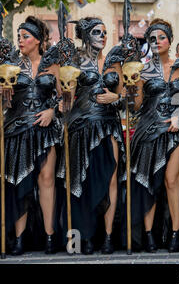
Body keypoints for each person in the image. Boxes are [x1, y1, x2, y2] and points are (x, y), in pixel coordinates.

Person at [57, 17, 127, 254]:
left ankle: (107, 237)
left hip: (109, 125)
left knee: (111, 178)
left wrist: (116, 98)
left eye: (105, 32)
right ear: (86, 35)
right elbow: (65, 96)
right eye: (98, 32)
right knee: (82, 180)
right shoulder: (73, 61)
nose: (103, 36)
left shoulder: (113, 61)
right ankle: (84, 237)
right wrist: (63, 98)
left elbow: (127, 95)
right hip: (81, 126)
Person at [129, 18, 179, 253]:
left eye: (161, 37)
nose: (157, 42)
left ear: (170, 40)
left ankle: (176, 233)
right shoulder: (141, 70)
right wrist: (132, 86)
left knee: (171, 180)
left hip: (177, 130)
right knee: (150, 183)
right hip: (149, 129)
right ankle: (148, 235)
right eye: (152, 39)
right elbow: (136, 106)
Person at [3, 16, 62, 255]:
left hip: (46, 130)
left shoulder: (53, 65)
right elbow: (6, 102)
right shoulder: (11, 66)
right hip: (18, 129)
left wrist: (52, 110)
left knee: (46, 180)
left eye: (25, 36)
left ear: (37, 40)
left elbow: (65, 98)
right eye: (19, 36)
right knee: (21, 181)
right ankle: (18, 238)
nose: (21, 41)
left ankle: (50, 235)